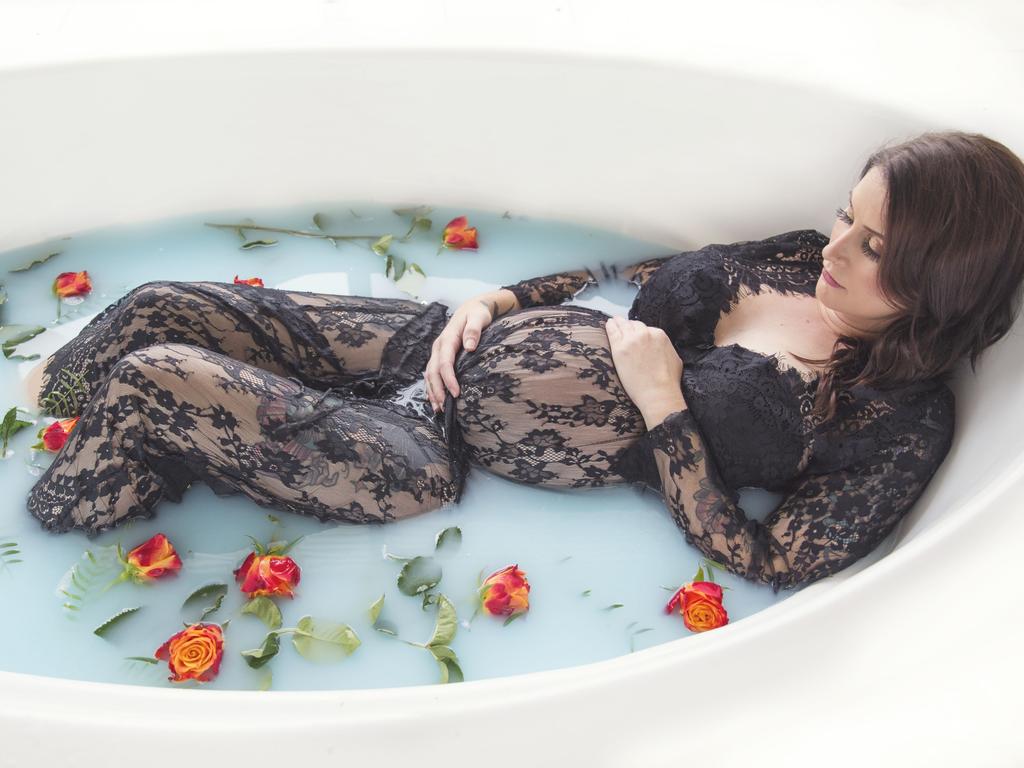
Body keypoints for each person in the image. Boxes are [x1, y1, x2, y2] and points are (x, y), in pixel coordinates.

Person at [24, 130, 1024, 594]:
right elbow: (620, 269)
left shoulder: (898, 420)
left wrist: (664, 409)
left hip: (426, 451)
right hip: (434, 342)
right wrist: (492, 300)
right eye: (847, 214)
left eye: (872, 247)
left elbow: (769, 561)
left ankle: (55, 514)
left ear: (941, 282)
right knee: (158, 305)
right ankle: (48, 405)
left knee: (156, 376)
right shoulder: (806, 258)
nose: (834, 252)